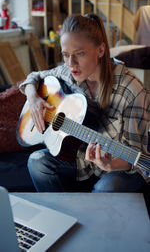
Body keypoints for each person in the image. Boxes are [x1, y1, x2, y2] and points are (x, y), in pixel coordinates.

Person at [19, 13, 150, 192]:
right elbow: (34, 77)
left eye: (80, 53)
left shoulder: (132, 90)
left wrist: (110, 164)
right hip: (82, 159)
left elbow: (136, 158)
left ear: (101, 50)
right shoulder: (67, 73)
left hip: (120, 166)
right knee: (37, 163)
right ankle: (61, 218)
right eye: (65, 55)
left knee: (105, 189)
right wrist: (33, 98)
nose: (71, 63)